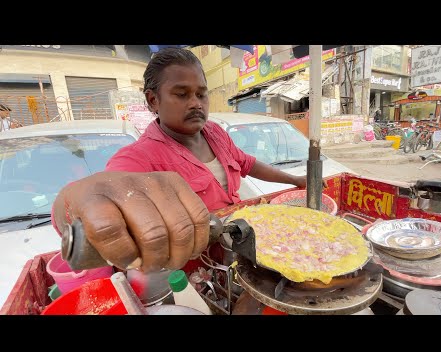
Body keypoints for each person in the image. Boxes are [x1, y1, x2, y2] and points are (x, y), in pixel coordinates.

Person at [52, 47, 307, 274]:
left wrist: (294, 179)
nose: (196, 103)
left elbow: (248, 163)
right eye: (182, 94)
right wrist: (74, 199)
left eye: (201, 94)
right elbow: (95, 195)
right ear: (153, 100)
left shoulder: (215, 133)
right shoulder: (140, 157)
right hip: (195, 268)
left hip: (241, 247)